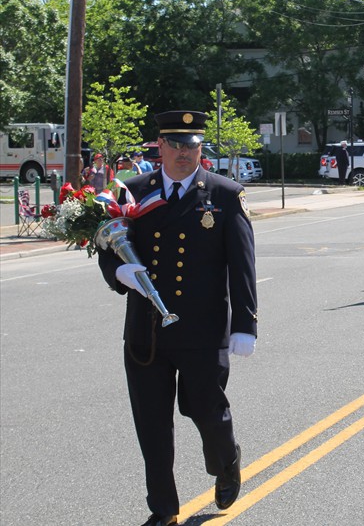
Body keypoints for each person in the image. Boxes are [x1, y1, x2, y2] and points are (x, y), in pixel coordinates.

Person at [97, 110, 257, 526]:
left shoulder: (223, 194)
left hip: (202, 331)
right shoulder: (133, 191)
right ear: (161, 146)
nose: (185, 153)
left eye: (192, 145)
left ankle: (226, 461)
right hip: (146, 333)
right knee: (152, 424)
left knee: (204, 409)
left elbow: (241, 265)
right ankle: (163, 508)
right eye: (176, 144)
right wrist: (118, 271)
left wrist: (245, 324)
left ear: (201, 148)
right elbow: (105, 245)